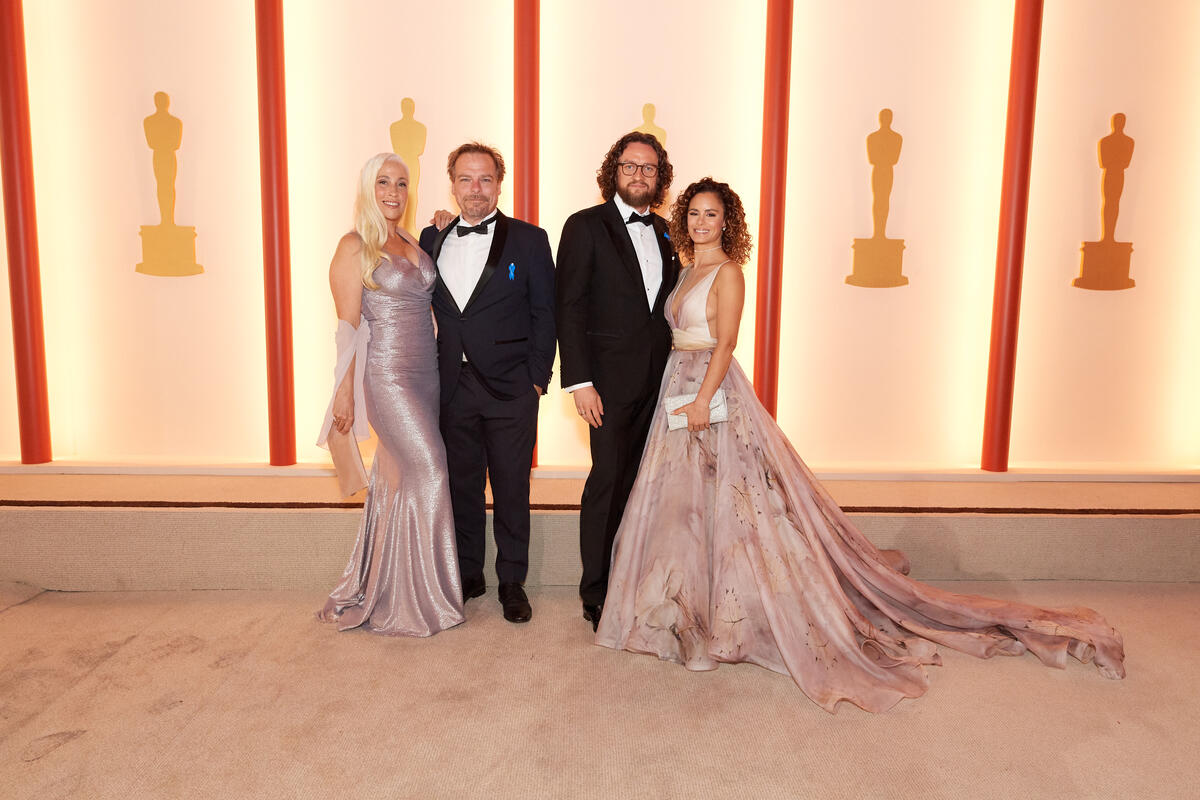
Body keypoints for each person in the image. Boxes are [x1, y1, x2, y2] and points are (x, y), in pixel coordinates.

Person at [595, 178, 1126, 713]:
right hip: (677, 388)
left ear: (727, 221)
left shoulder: (729, 273)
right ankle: (689, 616)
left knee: (737, 510)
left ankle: (734, 618)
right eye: (693, 214)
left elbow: (727, 342)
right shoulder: (687, 269)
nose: (701, 223)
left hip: (709, 393)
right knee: (685, 511)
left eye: (711, 215)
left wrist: (701, 402)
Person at [316, 153, 464, 636]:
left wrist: (443, 225)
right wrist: (344, 395)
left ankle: (392, 586)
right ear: (367, 187)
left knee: (399, 481)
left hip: (427, 375)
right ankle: (421, 599)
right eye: (383, 182)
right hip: (387, 376)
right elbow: (348, 329)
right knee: (431, 468)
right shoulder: (354, 245)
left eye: (401, 183)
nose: (393, 192)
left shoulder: (411, 240)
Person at [419, 143, 556, 624]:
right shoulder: (431, 237)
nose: (475, 189)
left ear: (500, 183)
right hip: (450, 385)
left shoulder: (529, 239)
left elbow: (545, 312)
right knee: (462, 487)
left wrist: (536, 381)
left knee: (513, 488)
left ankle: (512, 581)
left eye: (485, 179)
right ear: (451, 183)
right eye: (465, 179)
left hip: (511, 388)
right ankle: (468, 574)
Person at [556, 132, 679, 631]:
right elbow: (569, 306)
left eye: (649, 169)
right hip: (604, 384)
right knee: (607, 483)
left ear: (659, 178)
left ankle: (635, 578)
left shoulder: (670, 231)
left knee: (643, 484)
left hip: (660, 382)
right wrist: (580, 381)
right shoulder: (585, 226)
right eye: (630, 166)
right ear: (614, 171)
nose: (639, 175)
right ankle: (597, 592)